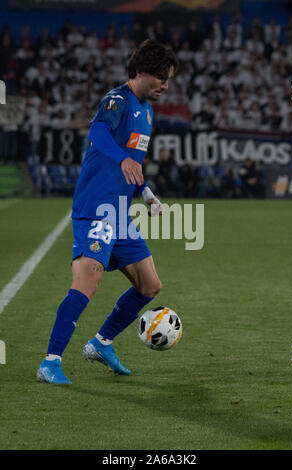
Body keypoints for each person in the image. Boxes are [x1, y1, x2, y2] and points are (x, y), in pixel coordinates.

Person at [37, 39, 178, 384]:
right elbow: (98, 133)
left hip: (119, 211)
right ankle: (50, 362)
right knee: (88, 282)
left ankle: (101, 343)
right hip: (96, 209)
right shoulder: (117, 100)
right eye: (162, 78)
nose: (166, 85)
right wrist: (124, 158)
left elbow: (131, 168)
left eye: (169, 79)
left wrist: (145, 193)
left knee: (150, 285)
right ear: (143, 71)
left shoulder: (147, 111)